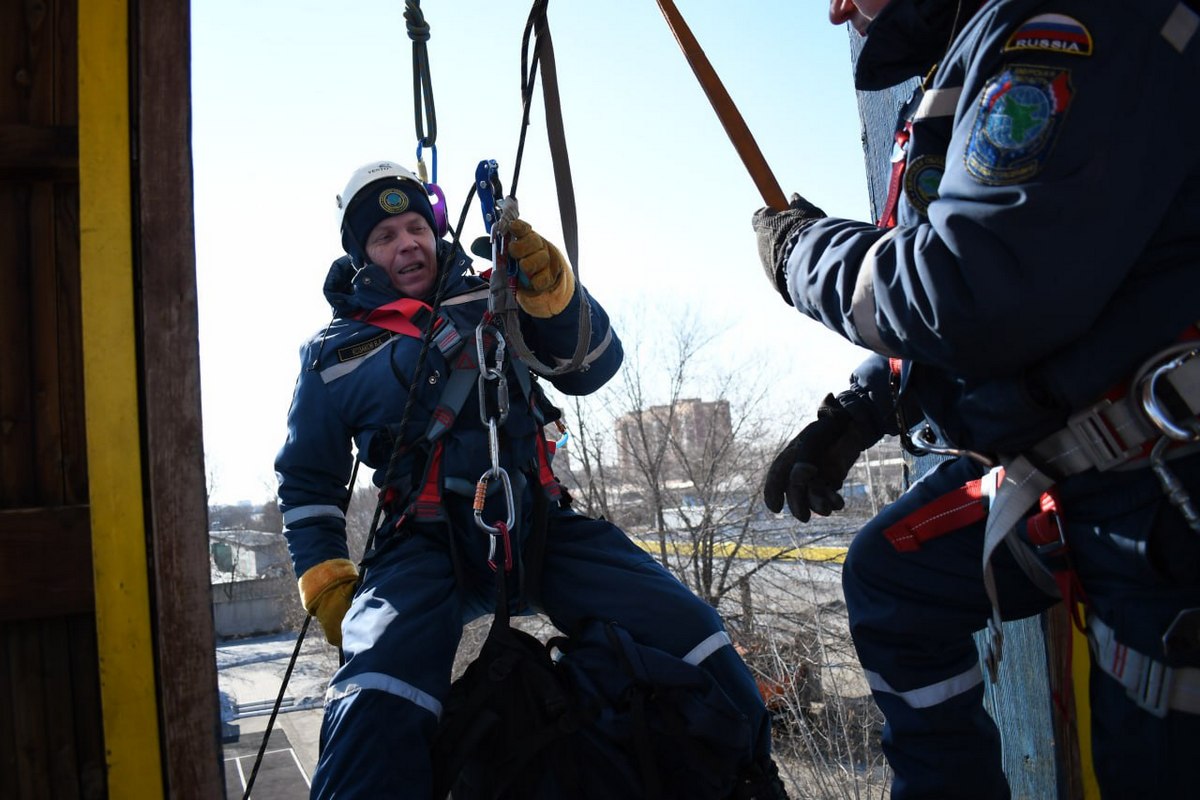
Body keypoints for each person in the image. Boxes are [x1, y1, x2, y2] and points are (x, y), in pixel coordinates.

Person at [751, 1, 1200, 797]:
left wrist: (800, 255)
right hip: (1098, 464)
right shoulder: (981, 44)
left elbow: (972, 291)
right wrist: (861, 408)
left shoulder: (1070, 27)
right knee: (893, 577)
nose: (837, 9)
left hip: (1160, 492)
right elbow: (1006, 296)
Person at [276, 160, 788, 798]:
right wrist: (326, 577)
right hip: (426, 542)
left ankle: (750, 781)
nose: (407, 242)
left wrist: (555, 296)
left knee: (693, 635)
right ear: (361, 254)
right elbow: (306, 481)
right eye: (385, 237)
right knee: (377, 687)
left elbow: (591, 367)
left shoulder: (500, 294)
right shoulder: (335, 354)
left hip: (542, 521)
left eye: (415, 227)